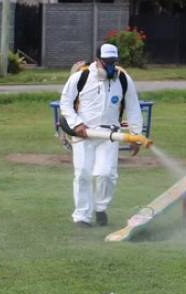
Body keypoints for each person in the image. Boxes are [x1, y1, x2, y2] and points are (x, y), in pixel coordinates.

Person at [58, 43, 143, 228]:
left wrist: (136, 135)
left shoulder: (123, 79)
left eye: (114, 62)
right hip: (84, 133)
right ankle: (82, 216)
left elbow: (133, 107)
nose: (111, 66)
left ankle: (100, 207)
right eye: (107, 62)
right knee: (83, 174)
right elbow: (65, 102)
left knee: (106, 173)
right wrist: (76, 123)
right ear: (98, 60)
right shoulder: (81, 76)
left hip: (110, 133)